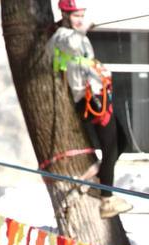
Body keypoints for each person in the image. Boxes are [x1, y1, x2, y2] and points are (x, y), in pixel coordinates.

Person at [50, 0, 133, 218]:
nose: (80, 20)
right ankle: (106, 200)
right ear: (66, 15)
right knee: (110, 148)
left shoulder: (76, 37)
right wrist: (83, 29)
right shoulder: (63, 37)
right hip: (91, 101)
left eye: (82, 15)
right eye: (76, 15)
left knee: (122, 141)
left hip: (99, 96)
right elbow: (70, 44)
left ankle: (98, 178)